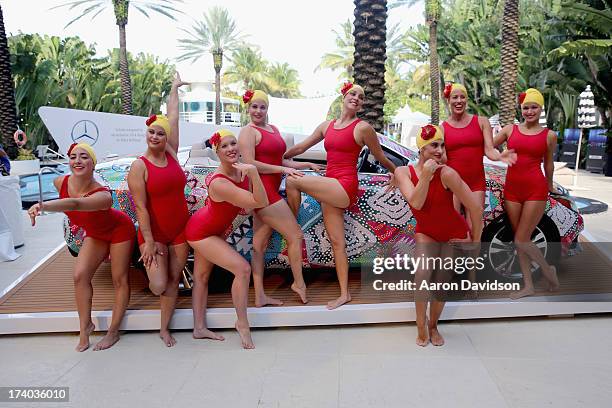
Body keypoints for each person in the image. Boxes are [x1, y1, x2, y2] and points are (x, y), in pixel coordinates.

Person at [283, 82, 397, 310]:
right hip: (329, 185)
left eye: (361, 97)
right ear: (344, 96)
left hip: (344, 186)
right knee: (338, 243)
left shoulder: (363, 128)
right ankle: (344, 294)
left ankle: (290, 226)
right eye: (352, 94)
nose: (356, 98)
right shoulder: (327, 126)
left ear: (362, 104)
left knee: (292, 180)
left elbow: (380, 156)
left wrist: (395, 172)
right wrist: (280, 156)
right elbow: (302, 147)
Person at [28, 143, 134, 352]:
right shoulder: (61, 182)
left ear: (93, 164)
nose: (77, 160)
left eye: (84, 157)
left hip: (118, 230)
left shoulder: (102, 195)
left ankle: (113, 331)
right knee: (80, 276)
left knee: (119, 279)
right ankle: (85, 326)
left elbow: (75, 204)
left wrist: (43, 206)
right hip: (96, 233)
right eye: (73, 156)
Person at [395, 125, 483, 347]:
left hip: (452, 233)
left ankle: (433, 325)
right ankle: (420, 325)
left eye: (442, 145)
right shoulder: (403, 173)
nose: (439, 150)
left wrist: (473, 239)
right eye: (434, 145)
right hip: (426, 231)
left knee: (443, 283)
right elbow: (416, 202)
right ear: (421, 149)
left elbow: (476, 208)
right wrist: (425, 175)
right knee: (422, 275)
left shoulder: (448, 173)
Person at [185, 130, 268, 349]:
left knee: (201, 277)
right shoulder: (220, 182)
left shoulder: (239, 172)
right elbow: (258, 201)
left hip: (215, 229)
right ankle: (242, 324)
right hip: (201, 232)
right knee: (242, 270)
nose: (231, 148)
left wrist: (250, 173)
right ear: (217, 152)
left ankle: (199, 328)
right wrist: (254, 173)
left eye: (233, 143)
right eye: (224, 146)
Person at [238, 89, 321, 307]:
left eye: (262, 106)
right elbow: (249, 164)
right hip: (262, 193)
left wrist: (305, 164)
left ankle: (259, 296)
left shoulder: (273, 129)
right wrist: (281, 171)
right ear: (248, 108)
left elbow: (281, 161)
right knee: (295, 236)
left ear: (267, 109)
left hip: (270, 190)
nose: (258, 111)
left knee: (259, 245)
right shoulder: (248, 131)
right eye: (254, 106)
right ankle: (299, 284)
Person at [127, 73, 189, 347]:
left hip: (180, 229)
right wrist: (149, 242)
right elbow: (140, 207)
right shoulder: (139, 166)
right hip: (154, 233)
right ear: (147, 134)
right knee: (159, 285)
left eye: (160, 133)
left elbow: (173, 117)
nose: (156, 136)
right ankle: (148, 270)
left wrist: (174, 89)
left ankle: (164, 328)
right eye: (152, 132)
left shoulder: (173, 153)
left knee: (175, 279)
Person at [494, 88, 560, 299]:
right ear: (521, 109)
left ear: (541, 109)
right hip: (512, 188)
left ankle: (548, 271)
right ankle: (529, 285)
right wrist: (500, 154)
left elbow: (548, 164)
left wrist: (550, 185)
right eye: (526, 108)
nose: (530, 111)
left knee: (522, 238)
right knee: (519, 238)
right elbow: (488, 148)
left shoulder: (549, 135)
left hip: (535, 189)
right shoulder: (509, 130)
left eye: (534, 107)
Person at [442, 82, 516, 227]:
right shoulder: (442, 128)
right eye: (454, 97)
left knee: (475, 227)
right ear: (448, 100)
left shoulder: (482, 122)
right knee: (453, 228)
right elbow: (443, 158)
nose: (458, 101)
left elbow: (489, 150)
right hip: (453, 184)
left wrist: (500, 156)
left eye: (462, 97)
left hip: (475, 182)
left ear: (466, 100)